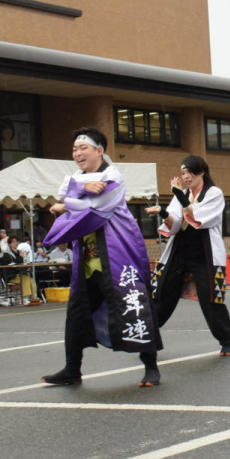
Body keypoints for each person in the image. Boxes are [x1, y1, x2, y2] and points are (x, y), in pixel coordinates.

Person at [41, 127, 162, 387]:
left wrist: (69, 201)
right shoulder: (75, 177)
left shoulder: (113, 175)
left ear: (99, 150)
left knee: (133, 307)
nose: (77, 153)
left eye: (83, 147)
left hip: (117, 256)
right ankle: (72, 369)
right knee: (76, 314)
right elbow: (63, 195)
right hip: (87, 260)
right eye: (74, 149)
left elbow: (96, 209)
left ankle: (151, 367)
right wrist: (82, 186)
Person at [149, 155, 230, 355]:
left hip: (205, 255)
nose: (186, 176)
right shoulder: (183, 193)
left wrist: (180, 196)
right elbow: (176, 223)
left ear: (202, 172)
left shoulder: (214, 193)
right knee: (162, 293)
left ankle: (225, 340)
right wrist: (162, 212)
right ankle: (148, 338)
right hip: (179, 252)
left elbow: (197, 218)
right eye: (183, 172)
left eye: (190, 172)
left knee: (211, 298)